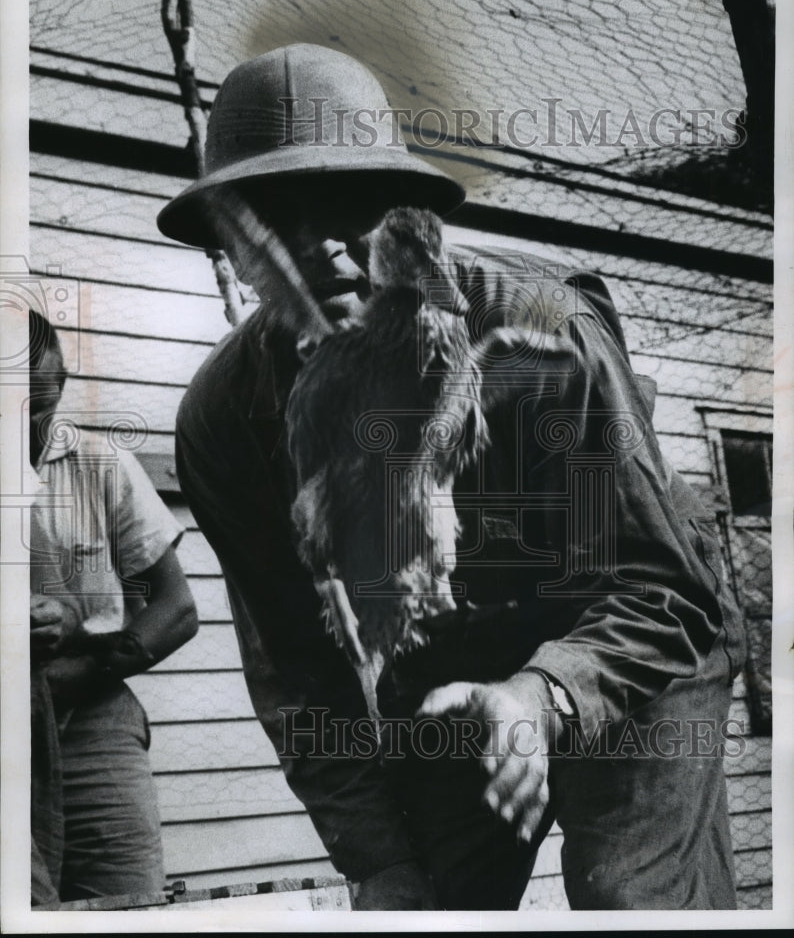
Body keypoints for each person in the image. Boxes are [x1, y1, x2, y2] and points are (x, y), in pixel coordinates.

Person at [158, 44, 746, 911]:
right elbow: (299, 666)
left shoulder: (541, 335)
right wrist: (378, 862)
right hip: (449, 656)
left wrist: (541, 696)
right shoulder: (225, 424)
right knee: (426, 899)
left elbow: (662, 586)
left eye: (348, 204)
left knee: (629, 893)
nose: (320, 244)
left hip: (633, 623)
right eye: (277, 220)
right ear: (235, 252)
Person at [28, 310, 198, 906]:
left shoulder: (99, 465)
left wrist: (79, 653)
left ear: (62, 382)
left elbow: (176, 609)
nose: (29, 429)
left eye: (40, 409)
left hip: (92, 715)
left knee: (127, 903)